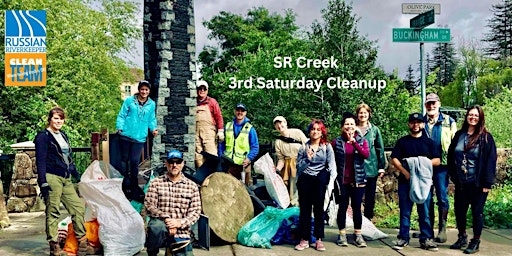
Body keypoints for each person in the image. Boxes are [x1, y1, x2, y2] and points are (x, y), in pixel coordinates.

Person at [34, 107, 94, 256]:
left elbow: (68, 159)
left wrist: (77, 175)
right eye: (56, 118)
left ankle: (82, 242)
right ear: (50, 119)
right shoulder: (43, 136)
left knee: (77, 208)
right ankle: (54, 247)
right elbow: (40, 160)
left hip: (66, 177)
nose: (59, 121)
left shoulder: (63, 135)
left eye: (61, 118)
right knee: (53, 211)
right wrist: (43, 182)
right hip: (51, 177)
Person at [447, 105, 497, 254]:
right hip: (462, 183)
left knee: (477, 213)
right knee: (460, 211)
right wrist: (453, 175)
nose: (473, 117)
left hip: (478, 183)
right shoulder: (459, 135)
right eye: (470, 115)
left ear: (480, 118)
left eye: (476, 115)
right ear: (467, 116)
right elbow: (451, 156)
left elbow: (490, 160)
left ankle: (475, 241)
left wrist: (487, 182)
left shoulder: (486, 137)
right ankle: (462, 237)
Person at [391, 113, 440, 251]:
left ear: (423, 124)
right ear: (409, 124)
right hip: (405, 181)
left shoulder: (429, 142)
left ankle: (426, 239)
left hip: (424, 183)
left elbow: (437, 160)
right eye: (413, 122)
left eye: (419, 122)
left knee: (424, 212)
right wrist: (406, 172)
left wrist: (422, 165)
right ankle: (403, 238)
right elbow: (395, 159)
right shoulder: (402, 142)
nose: (416, 125)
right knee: (405, 212)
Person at [144, 150, 202, 256]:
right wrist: (167, 219)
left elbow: (196, 211)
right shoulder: (156, 183)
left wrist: (179, 223)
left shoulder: (192, 186)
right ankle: (153, 252)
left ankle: (171, 250)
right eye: (171, 162)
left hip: (182, 231)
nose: (174, 165)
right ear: (166, 163)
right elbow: (149, 206)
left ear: (183, 164)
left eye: (178, 162)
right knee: (156, 227)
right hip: (161, 229)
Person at [294, 120, 336, 252]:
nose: (315, 131)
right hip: (305, 179)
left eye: (318, 129)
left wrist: (331, 180)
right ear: (309, 131)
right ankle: (304, 238)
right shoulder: (303, 147)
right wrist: (307, 159)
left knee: (319, 209)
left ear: (322, 132)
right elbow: (298, 168)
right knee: (305, 210)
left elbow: (332, 165)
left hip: (320, 180)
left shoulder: (326, 146)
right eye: (313, 129)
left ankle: (318, 239)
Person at [116, 80, 158, 202]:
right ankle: (124, 187)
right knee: (124, 162)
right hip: (126, 135)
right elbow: (122, 115)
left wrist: (153, 129)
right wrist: (120, 127)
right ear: (139, 90)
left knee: (134, 162)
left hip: (139, 137)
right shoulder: (129, 101)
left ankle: (133, 188)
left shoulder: (151, 104)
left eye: (146, 90)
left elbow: (152, 119)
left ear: (149, 91)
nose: (144, 91)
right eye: (142, 89)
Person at [423, 93, 457, 243]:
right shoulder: (420, 121)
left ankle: (442, 229)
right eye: (428, 104)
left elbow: (456, 144)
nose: (431, 106)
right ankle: (427, 229)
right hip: (424, 166)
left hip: (442, 166)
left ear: (439, 104)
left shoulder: (449, 121)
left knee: (442, 196)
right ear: (425, 105)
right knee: (426, 197)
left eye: (433, 103)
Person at [332, 112, 370, 248]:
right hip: (342, 181)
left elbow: (366, 155)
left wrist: (354, 143)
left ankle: (357, 235)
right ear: (342, 126)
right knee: (342, 207)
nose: (349, 126)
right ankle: (342, 234)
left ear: (356, 126)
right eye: (346, 124)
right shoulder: (336, 142)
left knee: (357, 208)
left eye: (352, 124)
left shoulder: (361, 140)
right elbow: (331, 160)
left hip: (358, 180)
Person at [355, 103, 387, 221]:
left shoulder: (374, 130)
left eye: (365, 112)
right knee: (356, 197)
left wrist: (381, 166)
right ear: (357, 115)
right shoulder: (353, 129)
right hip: (356, 168)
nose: (363, 115)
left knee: (370, 197)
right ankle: (356, 221)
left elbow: (380, 149)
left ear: (369, 114)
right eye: (360, 113)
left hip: (371, 168)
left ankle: (368, 219)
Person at [220, 103, 259, 184]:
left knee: (244, 190)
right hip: (228, 164)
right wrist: (220, 156)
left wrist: (249, 158)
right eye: (238, 110)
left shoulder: (250, 129)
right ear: (234, 111)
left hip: (243, 165)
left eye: (242, 111)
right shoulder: (227, 126)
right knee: (228, 187)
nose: (240, 112)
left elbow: (255, 147)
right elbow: (221, 143)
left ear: (245, 113)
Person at [273, 115, 308, 206]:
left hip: (301, 163)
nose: (279, 126)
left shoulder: (297, 133)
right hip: (288, 167)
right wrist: (277, 170)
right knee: (292, 189)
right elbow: (281, 159)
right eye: (277, 125)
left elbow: (308, 146)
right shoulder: (278, 142)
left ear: (285, 123)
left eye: (281, 123)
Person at [195, 80, 224, 169]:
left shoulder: (212, 102)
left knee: (211, 155)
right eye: (200, 88)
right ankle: (202, 181)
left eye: (204, 89)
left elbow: (219, 116)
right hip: (195, 132)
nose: (202, 90)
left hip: (209, 133)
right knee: (198, 157)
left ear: (207, 90)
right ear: (197, 90)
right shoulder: (192, 102)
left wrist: (220, 131)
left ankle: (213, 179)